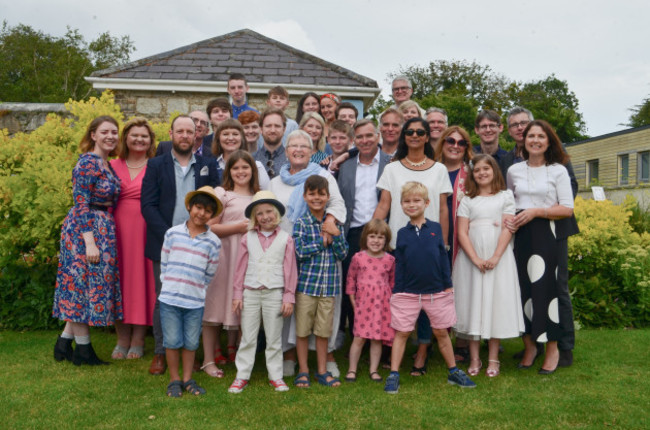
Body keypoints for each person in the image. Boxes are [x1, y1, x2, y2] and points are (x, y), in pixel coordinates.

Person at [501, 107, 579, 367]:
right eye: (530, 136)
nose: (534, 140)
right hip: (521, 236)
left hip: (548, 234)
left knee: (549, 291)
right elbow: (509, 201)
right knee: (524, 290)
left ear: (549, 141)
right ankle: (530, 346)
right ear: (524, 140)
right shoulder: (513, 170)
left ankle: (554, 350)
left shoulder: (558, 170)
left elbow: (567, 208)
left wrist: (536, 211)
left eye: (540, 137)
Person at [141, 115, 219, 375]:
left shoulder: (207, 165)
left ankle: (189, 354)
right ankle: (161, 352)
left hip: (199, 244)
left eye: (190, 131)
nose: (186, 135)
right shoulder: (155, 164)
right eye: (180, 131)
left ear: (197, 134)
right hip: (166, 243)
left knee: (194, 300)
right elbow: (148, 205)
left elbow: (215, 204)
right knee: (165, 299)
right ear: (171, 133)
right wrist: (171, 237)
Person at [383, 182, 475, 394]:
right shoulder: (402, 233)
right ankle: (394, 374)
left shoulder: (435, 228)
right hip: (407, 293)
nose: (412, 205)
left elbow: (442, 258)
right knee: (402, 333)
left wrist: (448, 286)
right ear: (402, 205)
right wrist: (398, 291)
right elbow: (401, 263)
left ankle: (453, 371)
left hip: (436, 292)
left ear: (426, 203)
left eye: (417, 201)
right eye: (407, 201)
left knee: (441, 332)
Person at [268, 130, 347, 378]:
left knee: (323, 307)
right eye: (294, 146)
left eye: (305, 146)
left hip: (320, 250)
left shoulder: (322, 175)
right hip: (285, 249)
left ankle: (327, 355)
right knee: (290, 303)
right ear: (286, 150)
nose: (299, 150)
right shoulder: (275, 181)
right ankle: (289, 354)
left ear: (313, 150)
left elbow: (337, 203)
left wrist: (330, 226)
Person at [52, 116, 122, 366]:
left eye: (114, 131)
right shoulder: (88, 163)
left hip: (102, 228)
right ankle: (83, 351)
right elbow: (80, 204)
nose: (110, 136)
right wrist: (90, 242)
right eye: (104, 132)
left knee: (85, 286)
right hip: (84, 230)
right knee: (80, 288)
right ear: (93, 135)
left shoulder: (107, 164)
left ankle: (63, 343)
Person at [453, 154, 525, 378]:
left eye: (487, 169)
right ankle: (474, 358)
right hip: (471, 258)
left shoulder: (505, 197)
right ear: (473, 175)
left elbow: (508, 227)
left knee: (495, 303)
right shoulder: (467, 200)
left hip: (498, 256)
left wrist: (495, 256)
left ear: (494, 171)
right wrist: (474, 258)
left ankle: (494, 358)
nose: (482, 173)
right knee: (473, 303)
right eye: (477, 170)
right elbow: (462, 232)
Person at [409, 125, 474, 372]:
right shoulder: (429, 169)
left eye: (461, 142)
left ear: (467, 147)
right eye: (450, 141)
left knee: (459, 292)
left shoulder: (472, 173)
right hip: (429, 240)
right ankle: (424, 348)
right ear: (442, 143)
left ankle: (463, 342)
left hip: (463, 240)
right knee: (429, 294)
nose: (455, 146)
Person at [228, 191, 297, 393]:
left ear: (277, 213)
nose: (265, 216)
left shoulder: (286, 239)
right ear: (254, 217)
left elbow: (290, 270)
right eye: (260, 213)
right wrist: (237, 294)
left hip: (274, 292)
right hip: (250, 291)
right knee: (248, 336)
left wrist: (288, 296)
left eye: (269, 212)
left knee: (274, 337)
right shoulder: (247, 238)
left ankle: (275, 376)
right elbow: (240, 268)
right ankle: (242, 375)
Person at [159, 187, 222, 397]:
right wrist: (170, 285)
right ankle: (174, 379)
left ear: (212, 215)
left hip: (194, 302)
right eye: (198, 207)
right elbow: (165, 263)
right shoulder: (172, 233)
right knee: (172, 340)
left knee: (191, 341)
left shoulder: (213, 242)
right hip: (169, 299)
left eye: (207, 211)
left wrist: (196, 289)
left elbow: (209, 272)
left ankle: (187, 378)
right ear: (189, 206)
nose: (201, 213)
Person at [202, 151, 260, 377]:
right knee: (214, 309)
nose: (241, 172)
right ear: (229, 172)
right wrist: (237, 227)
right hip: (225, 257)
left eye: (245, 167)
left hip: (250, 260)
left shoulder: (259, 195)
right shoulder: (222, 194)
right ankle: (208, 361)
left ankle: (243, 361)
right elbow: (210, 226)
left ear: (253, 171)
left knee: (246, 310)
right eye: (236, 168)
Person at [293, 175, 349, 388]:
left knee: (323, 331)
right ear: (305, 196)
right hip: (307, 286)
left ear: (327, 197)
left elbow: (343, 254)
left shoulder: (334, 223)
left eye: (321, 194)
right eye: (312, 194)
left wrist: (334, 236)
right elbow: (299, 252)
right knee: (302, 330)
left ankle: (322, 370)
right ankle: (303, 370)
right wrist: (321, 241)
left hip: (329, 288)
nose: (317, 198)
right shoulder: (302, 223)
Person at [338, 119, 391, 341]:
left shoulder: (390, 163)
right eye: (359, 137)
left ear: (378, 136)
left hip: (382, 232)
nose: (365, 140)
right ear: (353, 141)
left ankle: (379, 336)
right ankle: (355, 333)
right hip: (352, 232)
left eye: (369, 135)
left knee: (381, 286)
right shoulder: (346, 165)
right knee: (354, 284)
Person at [110, 117, 157, 360]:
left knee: (142, 281)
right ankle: (122, 338)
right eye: (134, 135)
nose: (139, 139)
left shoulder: (156, 165)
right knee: (119, 280)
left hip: (145, 229)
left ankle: (138, 339)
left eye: (144, 136)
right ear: (125, 138)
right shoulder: (110, 165)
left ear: (151, 141)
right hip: (115, 230)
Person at [374, 117, 452, 250]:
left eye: (420, 132)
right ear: (404, 136)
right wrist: (372, 236)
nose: (414, 135)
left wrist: (443, 244)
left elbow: (443, 209)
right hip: (397, 243)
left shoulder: (440, 169)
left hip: (430, 244)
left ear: (427, 137)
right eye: (410, 132)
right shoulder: (391, 169)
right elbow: (383, 206)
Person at [345, 219, 395, 383]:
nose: (376, 240)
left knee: (376, 338)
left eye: (380, 237)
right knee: (359, 338)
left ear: (386, 241)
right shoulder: (358, 258)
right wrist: (353, 301)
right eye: (372, 236)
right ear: (365, 238)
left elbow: (392, 283)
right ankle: (352, 369)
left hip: (381, 305)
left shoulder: (389, 260)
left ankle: (373, 370)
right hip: (363, 304)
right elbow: (351, 280)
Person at [212, 118, 270, 189]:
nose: (230, 138)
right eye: (225, 134)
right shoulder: (211, 166)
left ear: (242, 138)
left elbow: (266, 194)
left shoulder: (256, 166)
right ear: (218, 138)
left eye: (235, 134)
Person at [253, 108, 288, 180]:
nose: (272, 130)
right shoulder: (252, 159)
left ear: (284, 129)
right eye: (268, 126)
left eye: (277, 126)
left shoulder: (291, 160)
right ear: (261, 129)